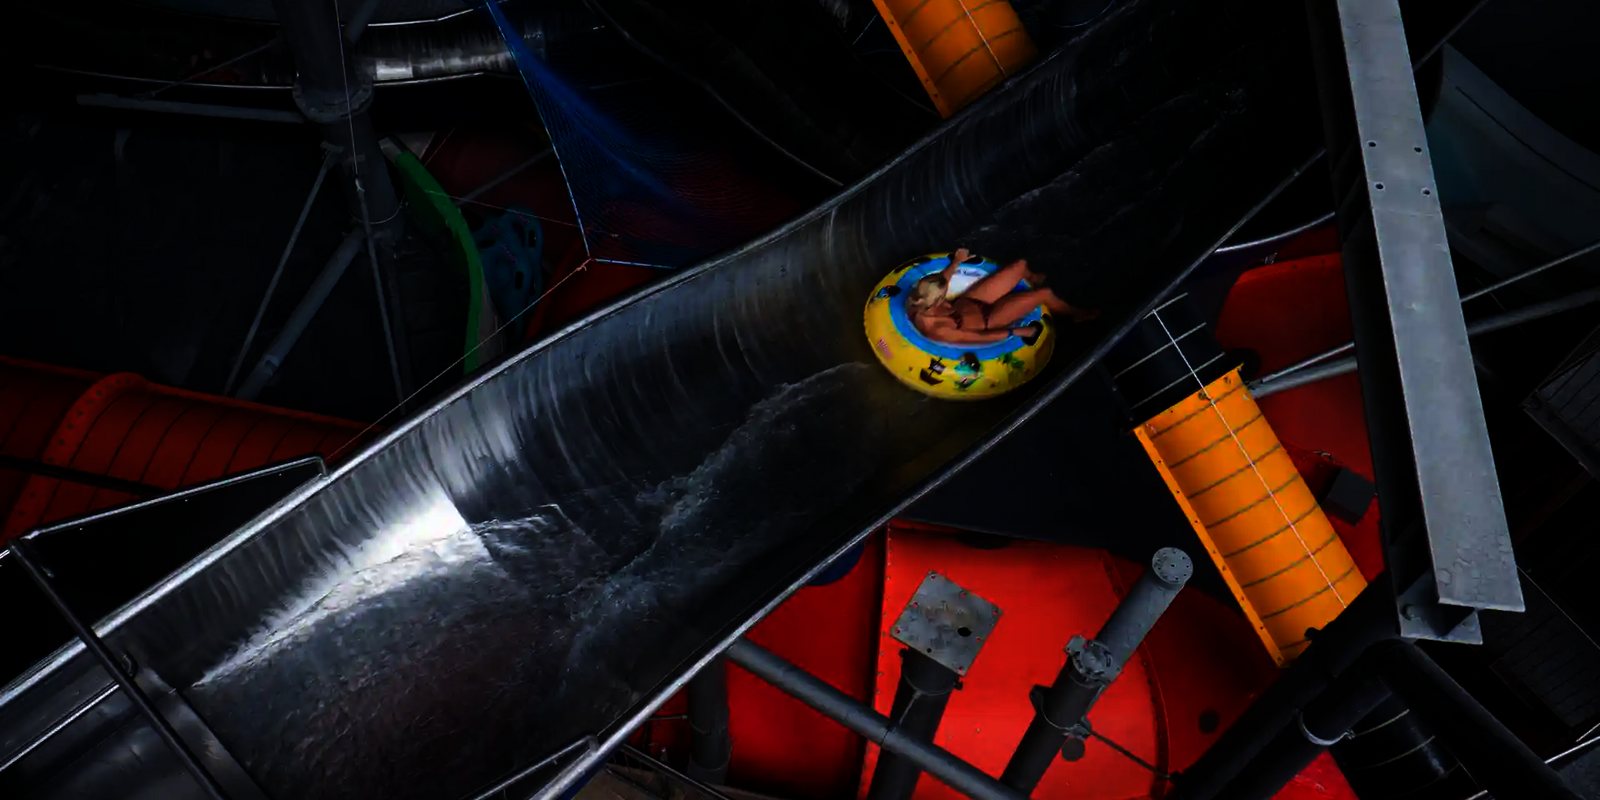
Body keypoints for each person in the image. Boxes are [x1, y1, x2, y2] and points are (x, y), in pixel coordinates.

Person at [907, 248, 1097, 345]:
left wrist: (956, 262)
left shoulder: (923, 296)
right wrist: (1019, 332)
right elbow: (978, 337)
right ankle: (1076, 313)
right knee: (1044, 294)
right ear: (935, 301)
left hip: (972, 300)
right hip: (990, 319)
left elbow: (941, 282)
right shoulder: (937, 329)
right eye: (942, 297)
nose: (944, 296)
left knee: (1020, 265)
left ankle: (1032, 278)